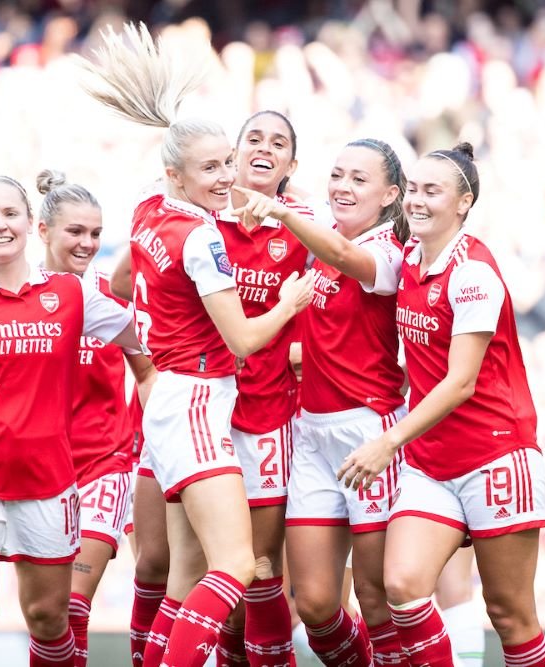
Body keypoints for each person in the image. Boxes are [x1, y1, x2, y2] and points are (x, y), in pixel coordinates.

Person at [76, 23, 315, 667]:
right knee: (239, 564)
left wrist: (135, 340)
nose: (223, 176)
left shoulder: (150, 208)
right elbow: (242, 339)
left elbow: (123, 281)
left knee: (181, 575)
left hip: (165, 400)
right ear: (176, 172)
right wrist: (290, 305)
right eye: (210, 167)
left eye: (225, 165)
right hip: (200, 400)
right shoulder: (205, 237)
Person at [337, 143, 545, 667]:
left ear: (463, 203)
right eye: (412, 189)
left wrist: (387, 442)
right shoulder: (407, 258)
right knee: (403, 586)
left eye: (432, 191)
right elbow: (343, 257)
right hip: (432, 463)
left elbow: (461, 384)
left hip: (495, 457)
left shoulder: (474, 271)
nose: (417, 201)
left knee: (509, 613)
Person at [0, 174, 139, 667]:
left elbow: (149, 338)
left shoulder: (72, 294)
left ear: (30, 224)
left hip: (47, 481)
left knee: (49, 618)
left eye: (9, 214)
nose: (0, 226)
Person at [230, 135, 410, 667]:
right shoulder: (321, 234)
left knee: (378, 601)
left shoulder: (386, 253)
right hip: (311, 433)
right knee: (313, 603)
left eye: (359, 179)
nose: (343, 187)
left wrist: (282, 210)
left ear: (390, 195)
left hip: (368, 434)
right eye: (338, 175)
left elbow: (339, 255)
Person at [35, 169, 158, 666]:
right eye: (75, 232)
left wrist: (163, 447)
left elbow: (149, 372)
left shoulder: (111, 297)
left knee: (71, 601)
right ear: (42, 232)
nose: (87, 243)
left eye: (95, 234)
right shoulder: (16, 302)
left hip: (105, 468)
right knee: (45, 614)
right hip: (41, 474)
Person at [213, 110, 313, 667]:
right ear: (233, 153)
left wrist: (294, 349)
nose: (264, 148)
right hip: (203, 412)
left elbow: (323, 328)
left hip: (269, 415)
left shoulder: (304, 230)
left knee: (259, 567)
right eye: (253, 137)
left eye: (278, 143)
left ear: (290, 166)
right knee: (190, 570)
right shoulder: (200, 223)